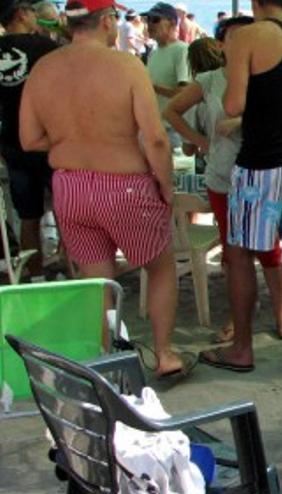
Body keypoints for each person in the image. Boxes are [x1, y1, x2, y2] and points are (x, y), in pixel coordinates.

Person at [20, 0, 194, 378]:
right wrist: (165, 184)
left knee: (97, 278)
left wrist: (73, 140)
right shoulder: (127, 65)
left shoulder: (44, 68)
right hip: (125, 185)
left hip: (71, 185)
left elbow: (29, 138)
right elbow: (156, 139)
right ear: (108, 21)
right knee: (161, 268)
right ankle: (164, 353)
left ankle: (105, 358)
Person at [198, 0, 282, 375]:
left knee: (239, 256)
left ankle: (242, 349)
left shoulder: (247, 36)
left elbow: (234, 104)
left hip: (261, 160)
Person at [164, 18, 282, 346]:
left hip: (264, 174)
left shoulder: (267, 77)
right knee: (233, 253)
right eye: (234, 39)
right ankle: (236, 319)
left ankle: (280, 311)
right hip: (223, 178)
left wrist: (241, 120)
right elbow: (172, 112)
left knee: (270, 250)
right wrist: (200, 140)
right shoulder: (209, 80)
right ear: (221, 45)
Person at [0, 0, 58, 283]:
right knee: (65, 213)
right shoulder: (43, 48)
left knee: (28, 216)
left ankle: (36, 278)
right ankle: (75, 275)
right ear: (21, 14)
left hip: (12, 145)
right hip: (47, 142)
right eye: (33, 11)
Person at [142, 2, 189, 150]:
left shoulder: (181, 50)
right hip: (155, 127)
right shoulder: (154, 53)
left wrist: (151, 87)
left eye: (155, 20)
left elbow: (185, 93)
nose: (150, 24)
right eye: (147, 20)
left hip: (172, 130)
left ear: (172, 23)